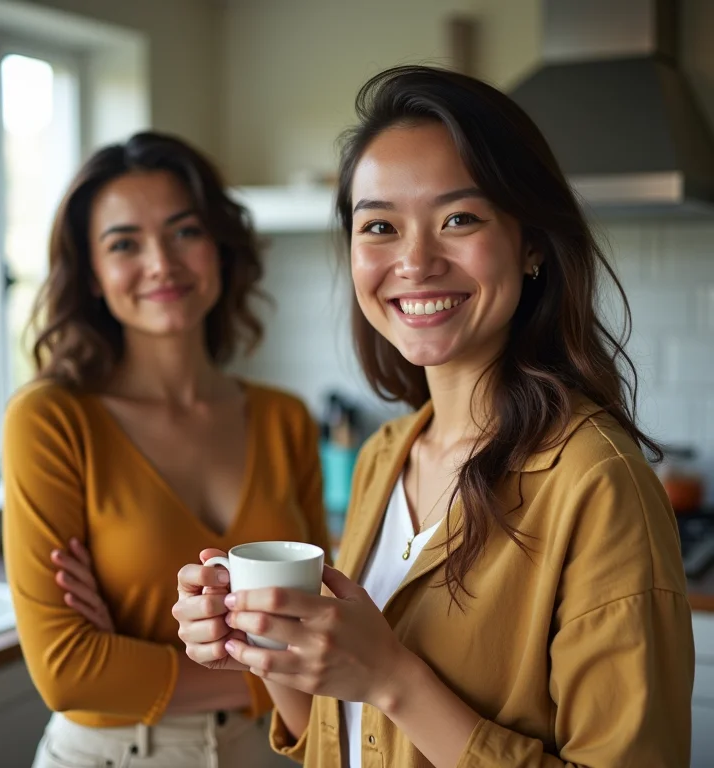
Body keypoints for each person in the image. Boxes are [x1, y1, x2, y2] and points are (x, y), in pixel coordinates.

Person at [172, 66, 695, 767]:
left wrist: (393, 678)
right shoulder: (386, 456)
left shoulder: (598, 484)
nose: (415, 261)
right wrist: (256, 642)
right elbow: (339, 736)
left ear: (532, 242)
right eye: (380, 226)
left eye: (459, 218)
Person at [2, 130, 330, 768]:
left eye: (184, 232)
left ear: (220, 249)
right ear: (93, 275)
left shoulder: (283, 418)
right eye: (124, 243)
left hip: (274, 751)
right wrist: (274, 665)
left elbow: (319, 624)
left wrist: (130, 653)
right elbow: (69, 672)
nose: (161, 262)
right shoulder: (50, 421)